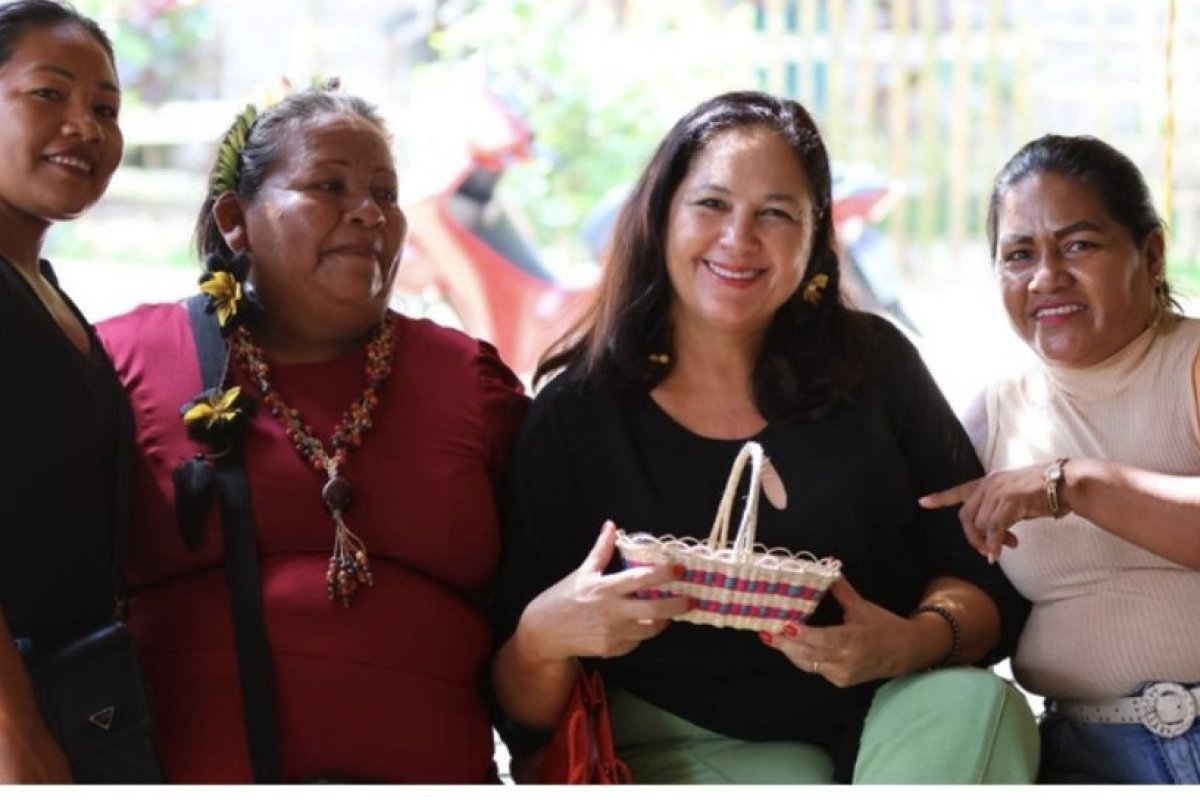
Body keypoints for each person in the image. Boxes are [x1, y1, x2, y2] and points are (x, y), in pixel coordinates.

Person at [491, 90, 1038, 784]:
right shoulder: (578, 414)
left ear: (814, 237)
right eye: (712, 204)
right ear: (661, 217)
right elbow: (520, 712)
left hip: (889, 717)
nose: (738, 239)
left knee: (974, 704)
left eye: (775, 213)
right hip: (679, 739)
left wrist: (912, 642)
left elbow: (976, 568)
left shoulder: (874, 367)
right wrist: (547, 635)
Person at [95, 86, 529, 782]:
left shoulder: (472, 384)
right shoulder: (126, 362)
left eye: (385, 193)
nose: (369, 212)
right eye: (329, 185)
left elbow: (538, 601)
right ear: (236, 220)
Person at [921, 134, 1200, 784]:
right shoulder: (991, 418)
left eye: (1078, 245)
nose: (1046, 277)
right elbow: (940, 580)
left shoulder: (1188, 365)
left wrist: (1073, 483)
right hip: (1075, 759)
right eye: (1019, 255)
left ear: (1151, 253)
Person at [0, 0, 124, 783]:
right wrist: (12, 730)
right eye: (49, 94)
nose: (85, 125)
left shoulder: (42, 286)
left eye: (106, 108)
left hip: (71, 695)